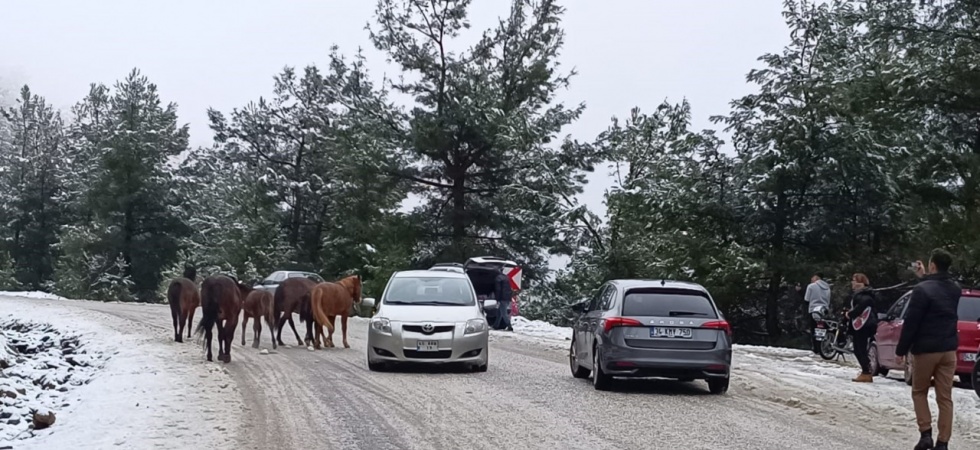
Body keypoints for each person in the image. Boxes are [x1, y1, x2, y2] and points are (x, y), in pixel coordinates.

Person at [896, 249, 960, 450]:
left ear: (932, 265)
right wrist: (923, 277)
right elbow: (937, 290)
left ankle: (925, 435)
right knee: (945, 397)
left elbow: (912, 322)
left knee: (919, 391)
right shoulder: (955, 289)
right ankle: (943, 442)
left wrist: (901, 350)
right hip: (949, 349)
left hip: (925, 349)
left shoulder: (922, 290)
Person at [845, 273, 877, 383]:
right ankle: (865, 371)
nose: (852, 283)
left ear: (859, 282)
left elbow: (859, 308)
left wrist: (849, 314)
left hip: (863, 325)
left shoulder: (865, 296)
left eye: (854, 280)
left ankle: (866, 372)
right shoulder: (861, 295)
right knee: (858, 349)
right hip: (860, 325)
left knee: (860, 349)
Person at [803, 272, 831, 353]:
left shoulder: (811, 286)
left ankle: (816, 349)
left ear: (817, 277)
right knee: (822, 329)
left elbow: (806, 299)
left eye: (813, 277)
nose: (811, 279)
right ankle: (823, 348)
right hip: (824, 311)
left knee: (813, 330)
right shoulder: (827, 287)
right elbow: (828, 301)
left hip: (814, 310)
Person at [492, 267, 513, 331]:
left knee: (503, 313)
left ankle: (509, 326)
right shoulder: (505, 277)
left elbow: (498, 289)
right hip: (507, 297)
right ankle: (496, 325)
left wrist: (497, 299)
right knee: (499, 312)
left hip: (502, 298)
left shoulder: (498, 278)